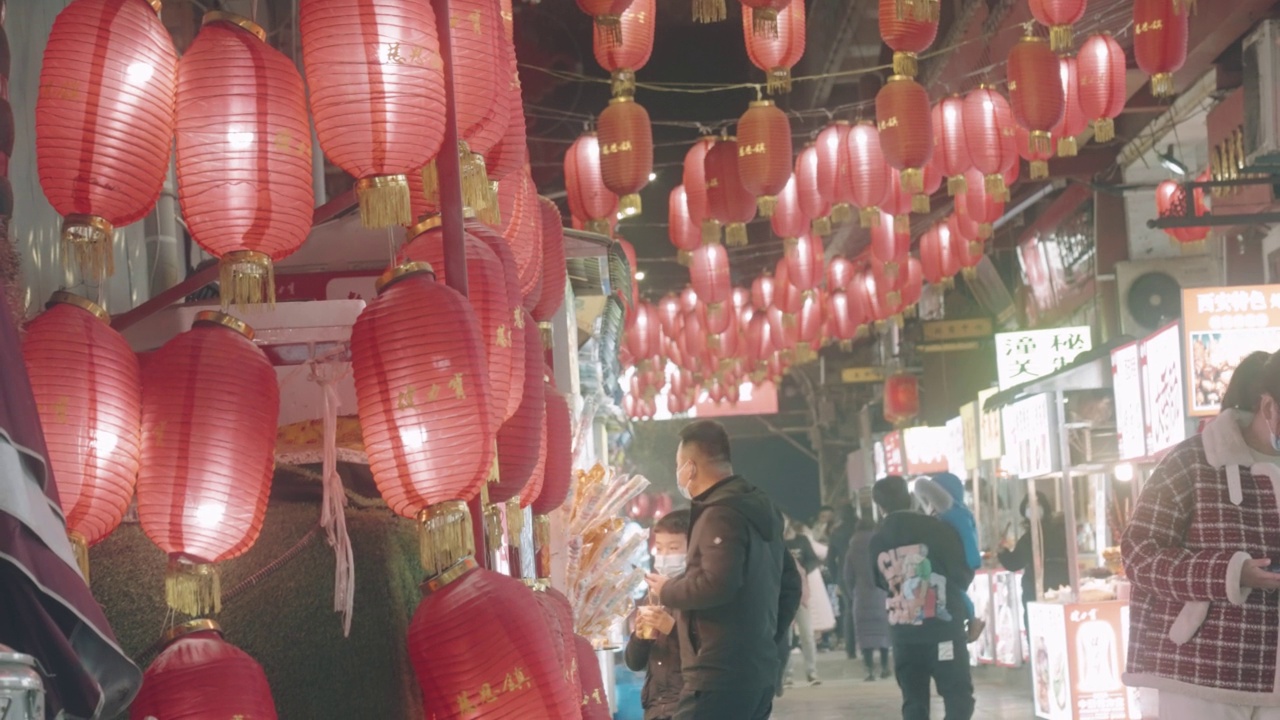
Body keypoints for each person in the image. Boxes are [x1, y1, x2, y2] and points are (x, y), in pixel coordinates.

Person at [1122, 351, 1280, 719]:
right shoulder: (1193, 462)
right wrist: (1228, 573)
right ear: (1268, 406)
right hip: (1200, 673)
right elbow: (1138, 553)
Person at [645, 420, 802, 720]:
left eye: (679, 465)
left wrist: (667, 589)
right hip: (757, 673)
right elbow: (791, 585)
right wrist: (764, 639)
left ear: (690, 467)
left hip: (718, 676)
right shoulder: (757, 509)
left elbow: (717, 583)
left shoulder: (720, 513)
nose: (679, 472)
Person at [871, 475, 975, 720]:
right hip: (943, 629)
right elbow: (961, 573)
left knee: (914, 701)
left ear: (880, 506)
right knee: (957, 696)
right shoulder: (938, 529)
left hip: (904, 633)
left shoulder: (877, 540)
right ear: (910, 499)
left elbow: (879, 581)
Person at [627, 510, 691, 720]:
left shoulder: (700, 595)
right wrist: (639, 636)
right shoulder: (654, 594)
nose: (664, 556)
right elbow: (634, 663)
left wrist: (672, 629)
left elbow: (711, 653)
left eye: (673, 549)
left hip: (688, 707)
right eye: (660, 548)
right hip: (656, 708)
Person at [916, 472, 986, 643]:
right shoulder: (947, 515)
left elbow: (969, 539)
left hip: (960, 563)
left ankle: (972, 620)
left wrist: (973, 560)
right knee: (952, 591)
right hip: (954, 564)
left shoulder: (957, 514)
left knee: (953, 590)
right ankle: (971, 621)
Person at [998, 491, 1070, 615]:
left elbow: (1015, 563)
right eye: (1028, 506)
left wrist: (1002, 551)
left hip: (1037, 591)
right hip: (1063, 589)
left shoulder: (1030, 538)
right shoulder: (1060, 532)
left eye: (1036, 504)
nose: (1032, 509)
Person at [845, 514, 892, 682]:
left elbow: (848, 574)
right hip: (881, 593)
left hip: (862, 594)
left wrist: (852, 593)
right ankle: (885, 667)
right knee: (883, 632)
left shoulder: (852, 548)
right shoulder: (880, 544)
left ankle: (869, 670)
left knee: (864, 633)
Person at [783, 519, 822, 687]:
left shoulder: (802, 540)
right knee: (786, 637)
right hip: (782, 595)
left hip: (801, 593)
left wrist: (803, 569)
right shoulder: (776, 541)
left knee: (807, 634)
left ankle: (812, 671)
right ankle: (787, 674)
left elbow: (813, 559)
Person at [826, 504, 860, 659]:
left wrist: (835, 578)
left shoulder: (836, 532)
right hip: (864, 573)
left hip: (844, 574)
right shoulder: (861, 527)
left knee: (849, 610)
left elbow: (830, 560)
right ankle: (873, 643)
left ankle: (850, 649)